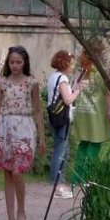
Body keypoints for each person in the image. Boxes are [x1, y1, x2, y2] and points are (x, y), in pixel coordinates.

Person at [0, 45, 45, 220]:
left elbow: (38, 110)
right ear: (7, 63)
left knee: (18, 171)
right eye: (12, 62)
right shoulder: (1, 83)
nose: (15, 65)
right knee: (8, 173)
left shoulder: (32, 83)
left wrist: (42, 137)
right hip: (5, 130)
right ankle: (10, 218)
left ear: (25, 62)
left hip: (25, 129)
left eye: (19, 62)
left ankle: (22, 211)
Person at [45, 50, 87, 198]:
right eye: (71, 63)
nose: (73, 66)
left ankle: (58, 183)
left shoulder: (54, 77)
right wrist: (79, 89)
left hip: (54, 117)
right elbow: (68, 100)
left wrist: (74, 86)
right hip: (62, 119)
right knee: (60, 152)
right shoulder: (62, 78)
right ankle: (58, 186)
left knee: (62, 149)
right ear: (65, 63)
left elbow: (62, 97)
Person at [70, 49, 110, 190]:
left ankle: (76, 178)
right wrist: (109, 112)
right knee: (94, 145)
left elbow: (73, 88)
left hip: (82, 114)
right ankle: (87, 178)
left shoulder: (81, 70)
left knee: (83, 145)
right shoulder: (101, 72)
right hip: (96, 115)